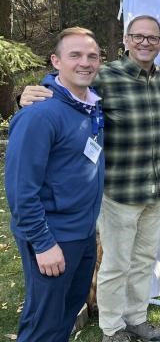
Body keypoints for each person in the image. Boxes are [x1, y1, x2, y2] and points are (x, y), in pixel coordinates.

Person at [19, 15, 160, 342]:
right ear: (127, 41)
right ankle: (113, 328)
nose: (145, 42)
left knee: (144, 260)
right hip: (119, 191)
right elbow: (68, 82)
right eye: (138, 36)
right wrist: (35, 91)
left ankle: (135, 318)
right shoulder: (106, 75)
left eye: (152, 38)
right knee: (116, 265)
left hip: (156, 189)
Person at [5, 27, 104, 342]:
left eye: (92, 56)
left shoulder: (91, 106)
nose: (85, 62)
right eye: (75, 55)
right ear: (56, 61)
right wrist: (43, 243)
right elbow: (21, 191)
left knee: (64, 316)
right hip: (52, 238)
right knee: (43, 326)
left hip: (83, 233)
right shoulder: (40, 114)